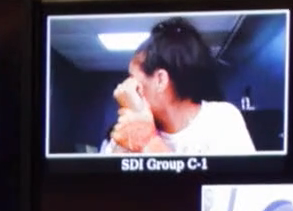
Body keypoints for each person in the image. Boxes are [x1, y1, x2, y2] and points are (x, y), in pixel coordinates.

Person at [105, 18, 256, 155]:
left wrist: (148, 140)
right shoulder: (131, 127)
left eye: (132, 78)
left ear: (160, 80)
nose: (124, 89)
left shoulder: (221, 119)